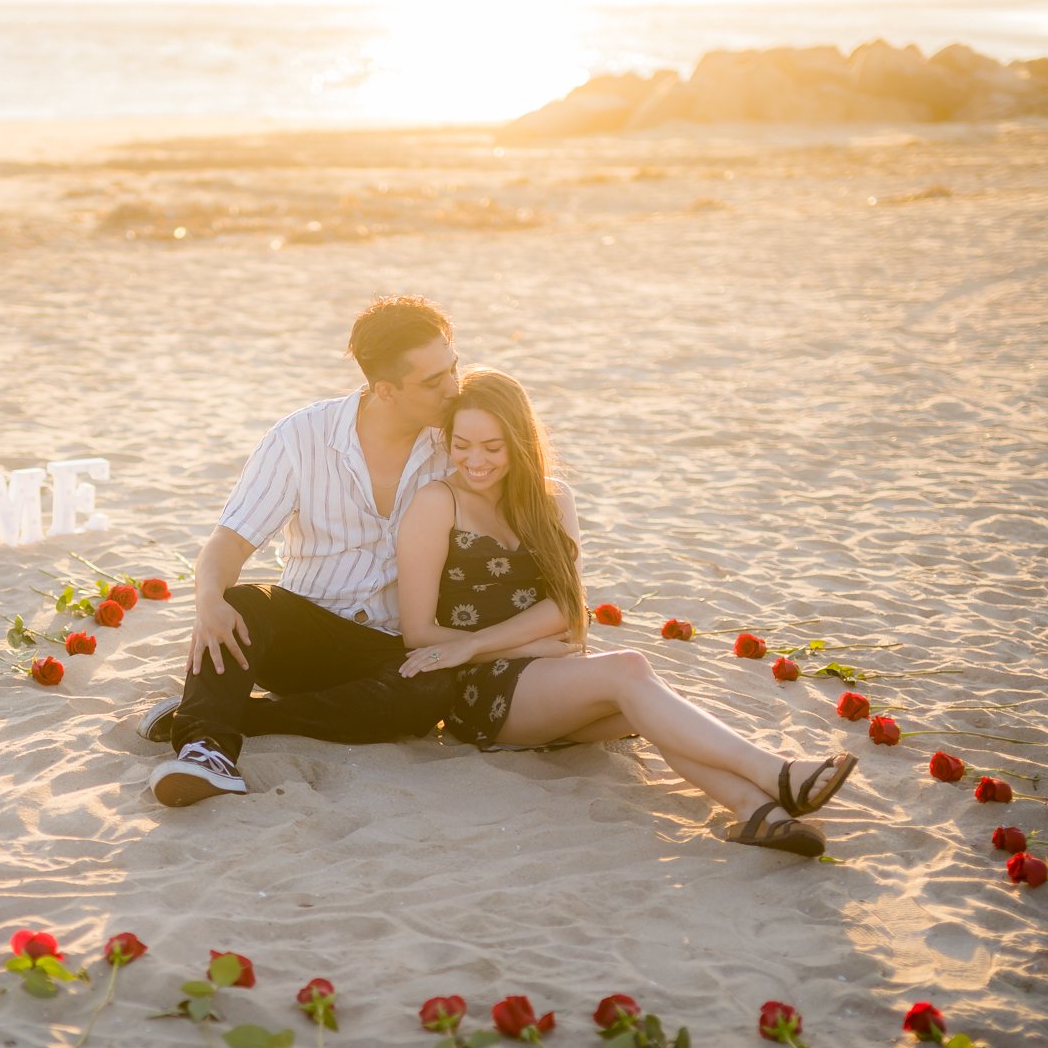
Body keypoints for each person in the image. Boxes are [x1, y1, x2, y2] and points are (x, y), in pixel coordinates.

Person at [392, 368, 857, 856]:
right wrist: (498, 645)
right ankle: (777, 774)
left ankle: (759, 813)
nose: (475, 460)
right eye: (462, 444)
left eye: (492, 446)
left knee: (655, 710)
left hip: (555, 676)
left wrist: (514, 643)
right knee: (630, 668)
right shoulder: (437, 502)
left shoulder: (551, 498)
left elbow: (570, 609)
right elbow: (418, 633)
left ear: (521, 441)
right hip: (483, 690)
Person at [142, 296, 470, 807]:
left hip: (392, 645)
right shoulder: (303, 436)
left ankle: (243, 714)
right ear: (385, 390)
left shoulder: (458, 443)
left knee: (432, 693)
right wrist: (208, 598)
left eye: (453, 368)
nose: (454, 388)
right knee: (243, 603)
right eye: (434, 381)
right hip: (303, 633)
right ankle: (206, 750)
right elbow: (230, 538)